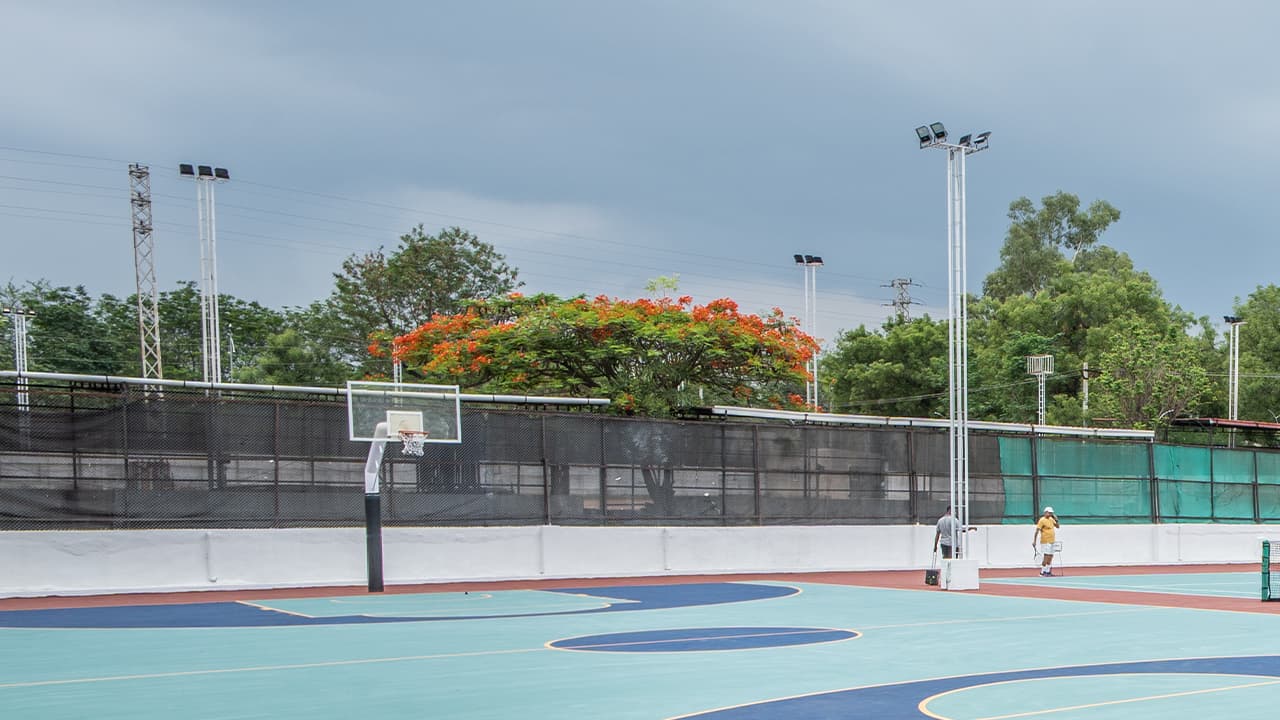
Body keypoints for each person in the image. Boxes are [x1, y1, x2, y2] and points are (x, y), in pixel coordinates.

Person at [1033, 506, 1061, 576]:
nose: (1051, 514)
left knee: (1050, 556)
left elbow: (1058, 526)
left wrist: (1056, 520)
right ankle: (1042, 572)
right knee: (1046, 556)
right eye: (1049, 513)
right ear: (1045, 513)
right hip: (1045, 541)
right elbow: (1037, 531)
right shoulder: (1042, 520)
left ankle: (1048, 571)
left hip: (1052, 541)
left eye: (1051, 513)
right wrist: (1034, 541)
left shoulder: (1051, 519)